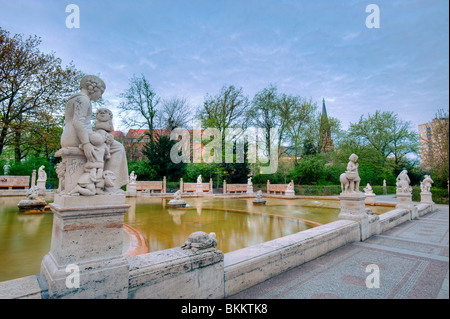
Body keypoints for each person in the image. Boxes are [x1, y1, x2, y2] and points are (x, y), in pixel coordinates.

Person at [60, 75, 128, 190]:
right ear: (93, 88)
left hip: (67, 135)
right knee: (118, 147)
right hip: (77, 137)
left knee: (105, 139)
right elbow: (78, 123)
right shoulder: (84, 99)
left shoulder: (73, 99)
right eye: (101, 92)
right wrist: (86, 144)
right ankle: (109, 183)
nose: (101, 96)